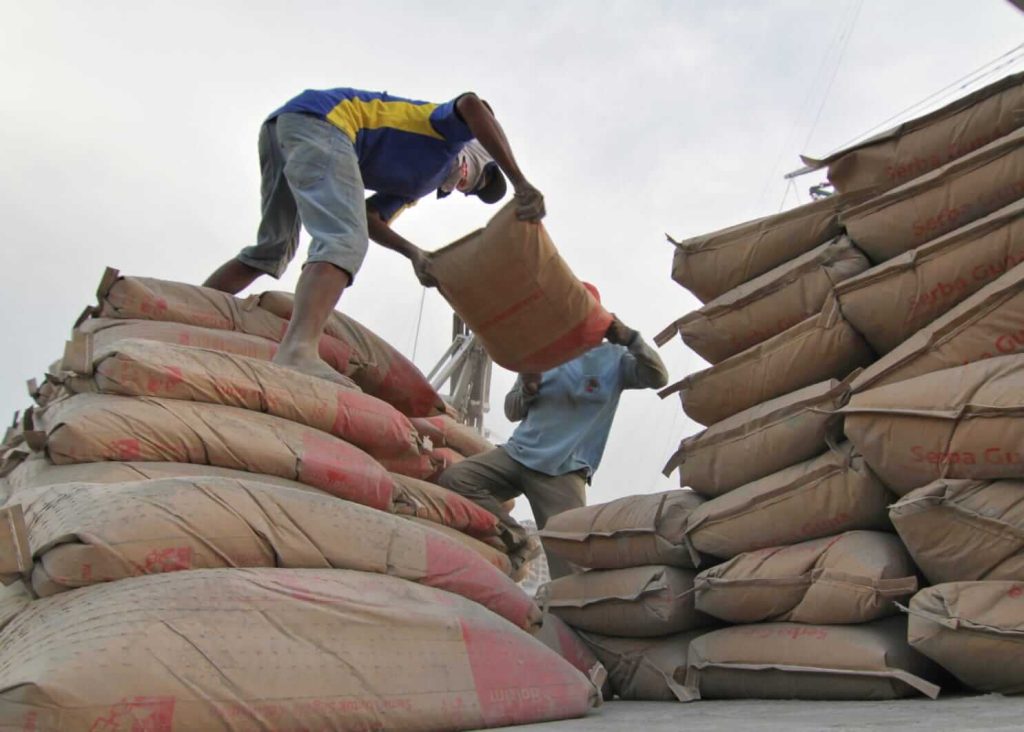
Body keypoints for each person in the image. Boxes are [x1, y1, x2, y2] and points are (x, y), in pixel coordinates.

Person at [203, 87, 544, 382]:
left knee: (273, 249)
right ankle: (299, 349)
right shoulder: (446, 135)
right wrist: (520, 182)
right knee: (344, 240)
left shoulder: (417, 186)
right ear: (478, 148)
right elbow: (472, 105)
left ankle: (190, 306)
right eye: (481, 178)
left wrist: (415, 254)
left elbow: (370, 217)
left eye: (473, 191)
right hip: (328, 122)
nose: (468, 188)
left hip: (286, 125)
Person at [438, 285, 669, 578]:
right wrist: (528, 387)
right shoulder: (542, 352)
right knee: (456, 480)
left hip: (563, 470)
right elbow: (512, 410)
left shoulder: (615, 358)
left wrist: (632, 339)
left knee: (569, 568)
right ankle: (518, 538)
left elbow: (658, 376)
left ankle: (571, 619)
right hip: (517, 454)